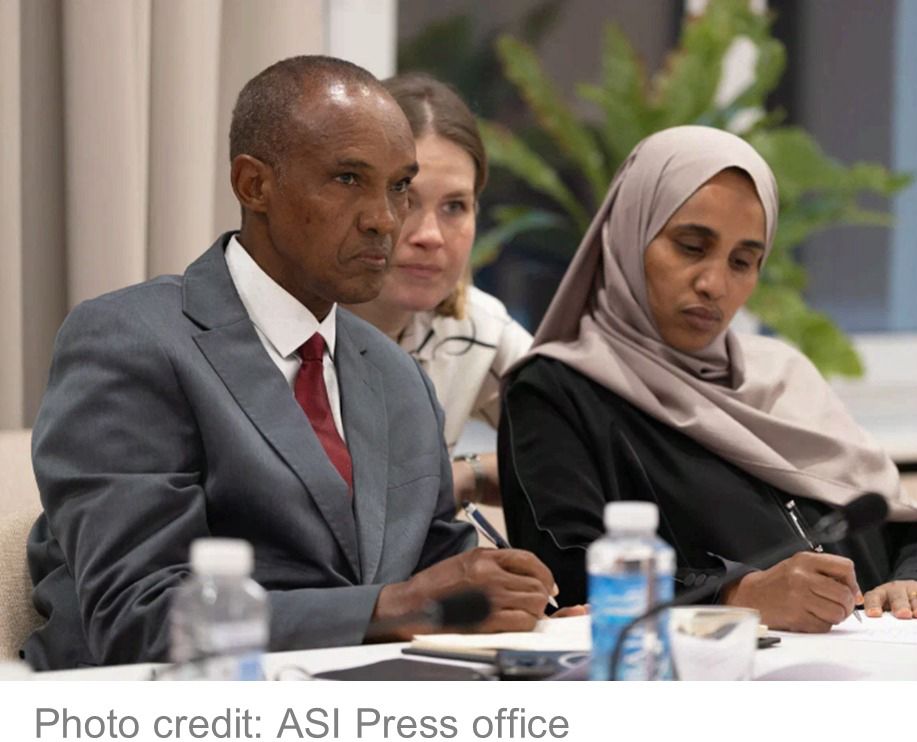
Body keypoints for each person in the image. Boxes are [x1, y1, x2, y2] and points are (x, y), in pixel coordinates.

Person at [24, 56, 559, 671]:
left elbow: (437, 565)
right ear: (254, 185)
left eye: (398, 186)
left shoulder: (397, 376)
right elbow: (135, 616)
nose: (385, 219)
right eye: (348, 179)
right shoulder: (132, 339)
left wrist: (524, 607)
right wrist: (394, 606)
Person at [499, 125, 917, 632]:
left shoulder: (782, 378)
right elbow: (569, 575)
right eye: (690, 247)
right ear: (628, 235)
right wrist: (736, 595)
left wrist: (915, 584)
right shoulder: (557, 391)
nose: (714, 284)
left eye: (743, 261)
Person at [346, 73, 531, 506]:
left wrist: (468, 474)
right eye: (405, 198)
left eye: (454, 206)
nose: (430, 235)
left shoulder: (476, 328)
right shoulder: (290, 330)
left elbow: (595, 455)